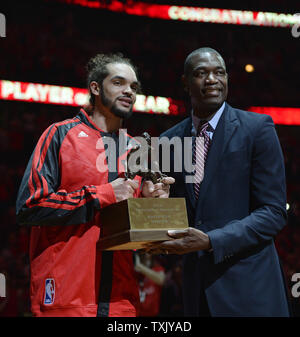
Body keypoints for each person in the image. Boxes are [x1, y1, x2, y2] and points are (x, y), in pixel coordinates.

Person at [16, 53, 174, 317]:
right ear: (95, 87)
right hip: (66, 300)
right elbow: (31, 205)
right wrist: (104, 194)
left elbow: (144, 238)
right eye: (119, 83)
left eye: (134, 87)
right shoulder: (60, 135)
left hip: (122, 304)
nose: (129, 91)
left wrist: (151, 204)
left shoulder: (138, 149)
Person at [147, 47, 291, 317]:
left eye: (219, 72)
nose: (212, 79)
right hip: (197, 291)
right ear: (186, 83)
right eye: (201, 73)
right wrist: (156, 203)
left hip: (251, 289)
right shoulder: (168, 140)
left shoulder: (257, 128)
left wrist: (211, 240)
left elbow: (273, 213)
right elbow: (172, 211)